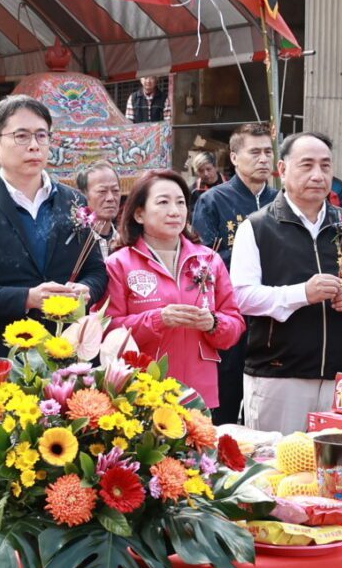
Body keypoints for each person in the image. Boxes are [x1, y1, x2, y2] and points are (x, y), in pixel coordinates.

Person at [230, 133, 342, 431]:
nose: (318, 175)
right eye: (307, 165)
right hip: (278, 377)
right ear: (283, 168)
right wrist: (302, 293)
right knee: (276, 471)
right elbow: (241, 296)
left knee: (334, 471)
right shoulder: (257, 227)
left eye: (325, 166)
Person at [0, 95, 110, 373]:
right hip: (2, 357)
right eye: (21, 136)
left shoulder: (74, 202)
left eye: (41, 135)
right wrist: (27, 298)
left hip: (68, 354)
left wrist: (87, 289)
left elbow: (97, 271)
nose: (34, 145)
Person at [104, 170, 244, 412]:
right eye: (163, 202)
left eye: (181, 202)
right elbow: (107, 331)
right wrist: (158, 319)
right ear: (139, 213)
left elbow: (235, 325)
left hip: (199, 395)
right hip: (142, 394)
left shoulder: (209, 259)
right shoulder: (118, 264)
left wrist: (213, 323)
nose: (175, 211)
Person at [191, 123, 278, 423]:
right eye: (255, 152)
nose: (264, 159)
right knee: (226, 401)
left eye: (268, 151)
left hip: (271, 314)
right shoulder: (213, 200)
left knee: (267, 408)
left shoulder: (280, 203)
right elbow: (202, 262)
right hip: (230, 314)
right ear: (234, 157)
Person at [75, 162, 123, 251]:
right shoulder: (74, 241)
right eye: (102, 191)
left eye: (115, 190)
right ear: (82, 195)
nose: (110, 198)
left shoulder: (125, 242)